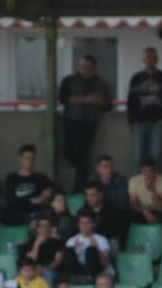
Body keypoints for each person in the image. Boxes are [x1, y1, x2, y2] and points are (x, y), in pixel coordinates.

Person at [58, 55, 114, 193]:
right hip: (70, 123)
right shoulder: (69, 80)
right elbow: (62, 98)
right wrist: (86, 99)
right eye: (83, 67)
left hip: (89, 125)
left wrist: (99, 101)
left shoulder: (101, 84)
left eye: (89, 68)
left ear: (94, 69)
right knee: (65, 150)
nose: (85, 70)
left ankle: (78, 191)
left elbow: (108, 104)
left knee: (84, 161)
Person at [128, 47, 162, 169]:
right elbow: (131, 100)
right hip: (139, 122)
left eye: (153, 57)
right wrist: (132, 120)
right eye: (147, 57)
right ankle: (139, 181)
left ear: (157, 59)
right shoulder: (136, 78)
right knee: (138, 156)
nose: (150, 60)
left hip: (157, 123)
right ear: (143, 59)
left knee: (156, 156)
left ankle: (155, 181)